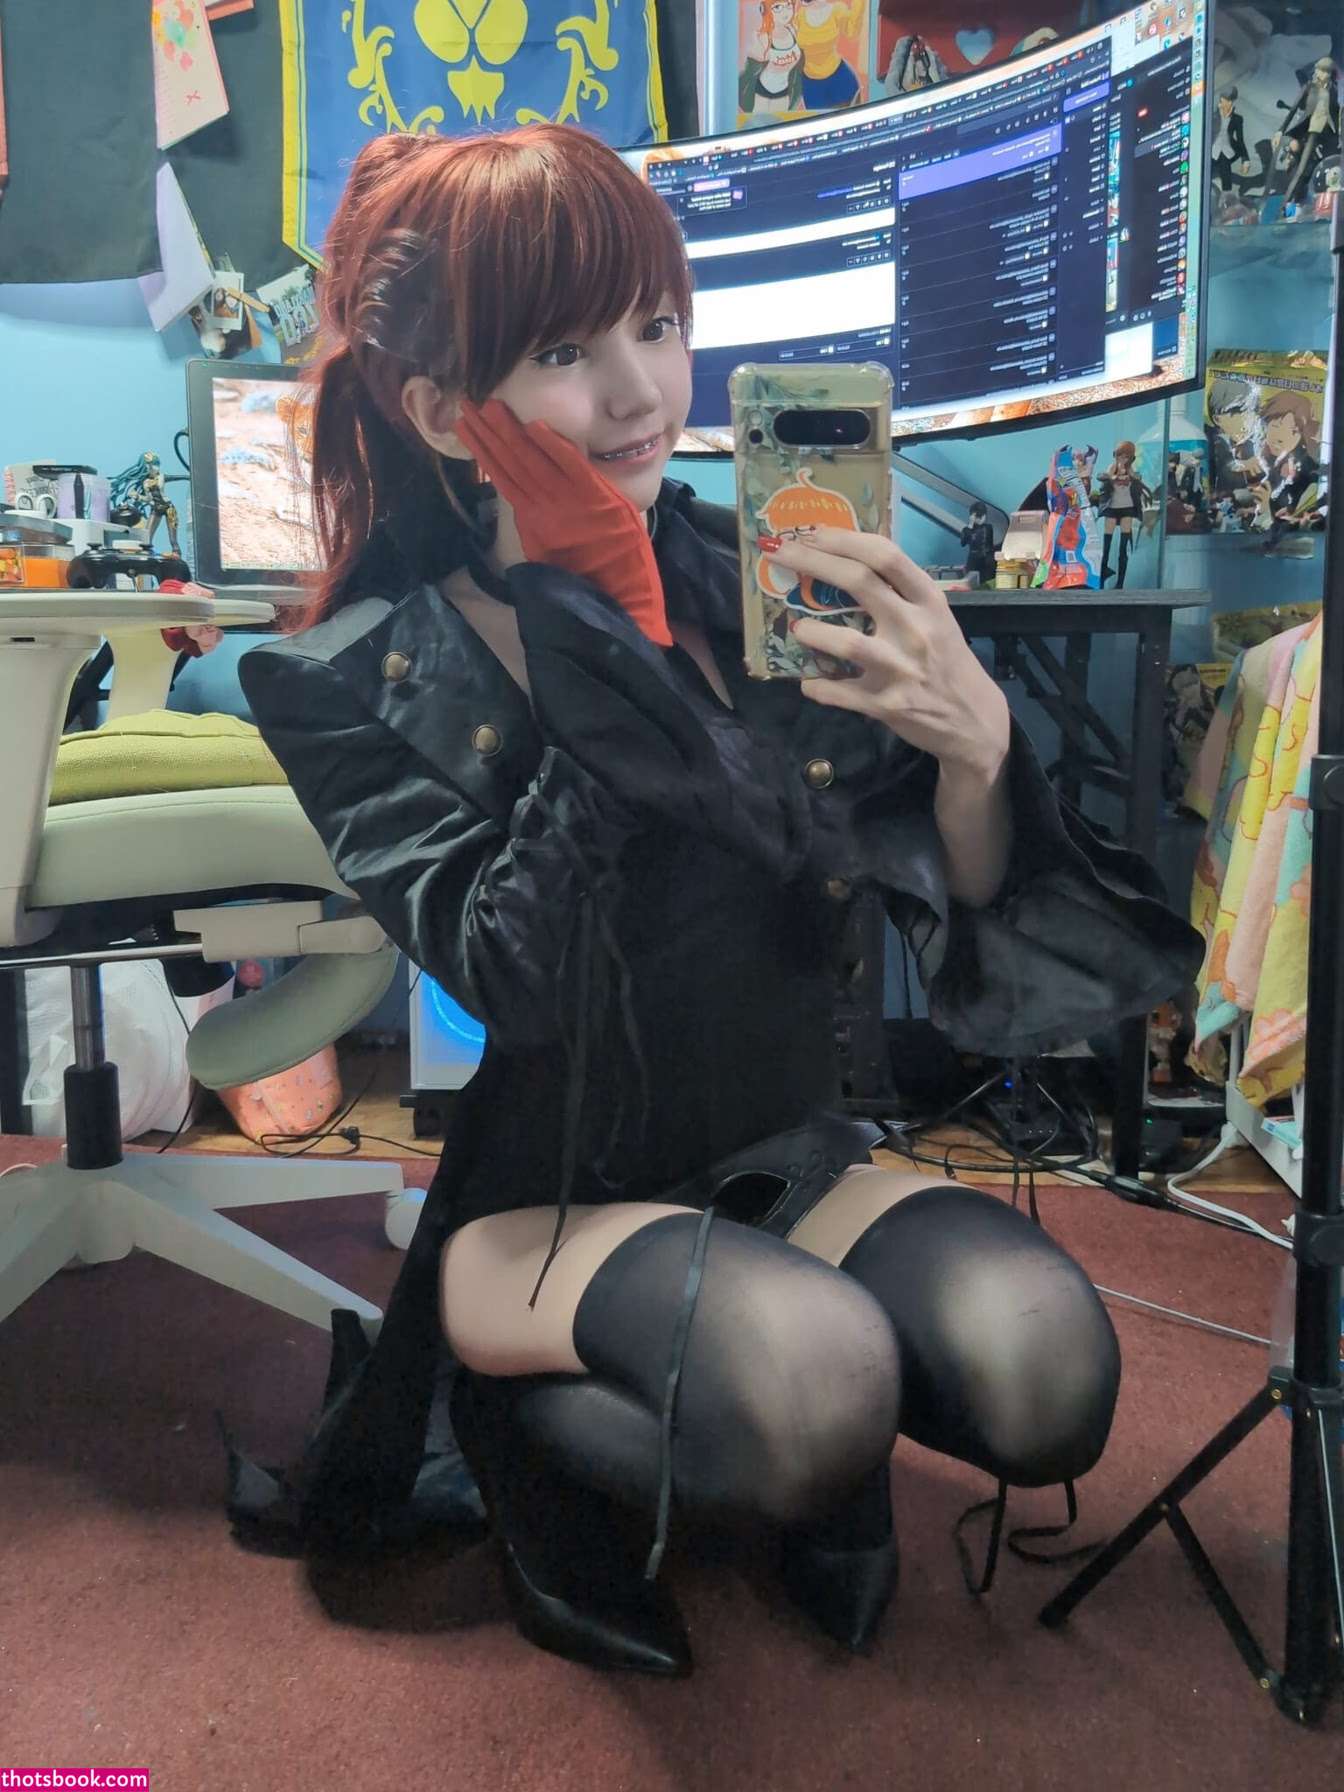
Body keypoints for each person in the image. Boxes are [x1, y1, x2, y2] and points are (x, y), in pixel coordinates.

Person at [231, 125, 1202, 1678]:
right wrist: (601, 640)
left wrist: (977, 748)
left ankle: (785, 1404)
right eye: (564, 351)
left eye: (657, 325)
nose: (639, 393)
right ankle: (526, 1443)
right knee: (817, 1384)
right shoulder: (352, 674)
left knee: (1046, 1372)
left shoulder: (771, 583)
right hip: (550, 1197)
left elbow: (947, 901)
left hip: (777, 1146)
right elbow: (512, 974)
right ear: (442, 411)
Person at [1095, 441, 1151, 588]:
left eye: (1126, 457)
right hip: (1112, 508)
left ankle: (1120, 582)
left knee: (1123, 547)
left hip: (1127, 508)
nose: (1122, 459)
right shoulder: (1112, 468)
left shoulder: (1131, 471)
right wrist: (1112, 477)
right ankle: (1102, 575)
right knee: (1106, 546)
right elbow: (1102, 476)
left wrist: (1131, 477)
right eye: (1120, 456)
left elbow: (1137, 478)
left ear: (1131, 458)